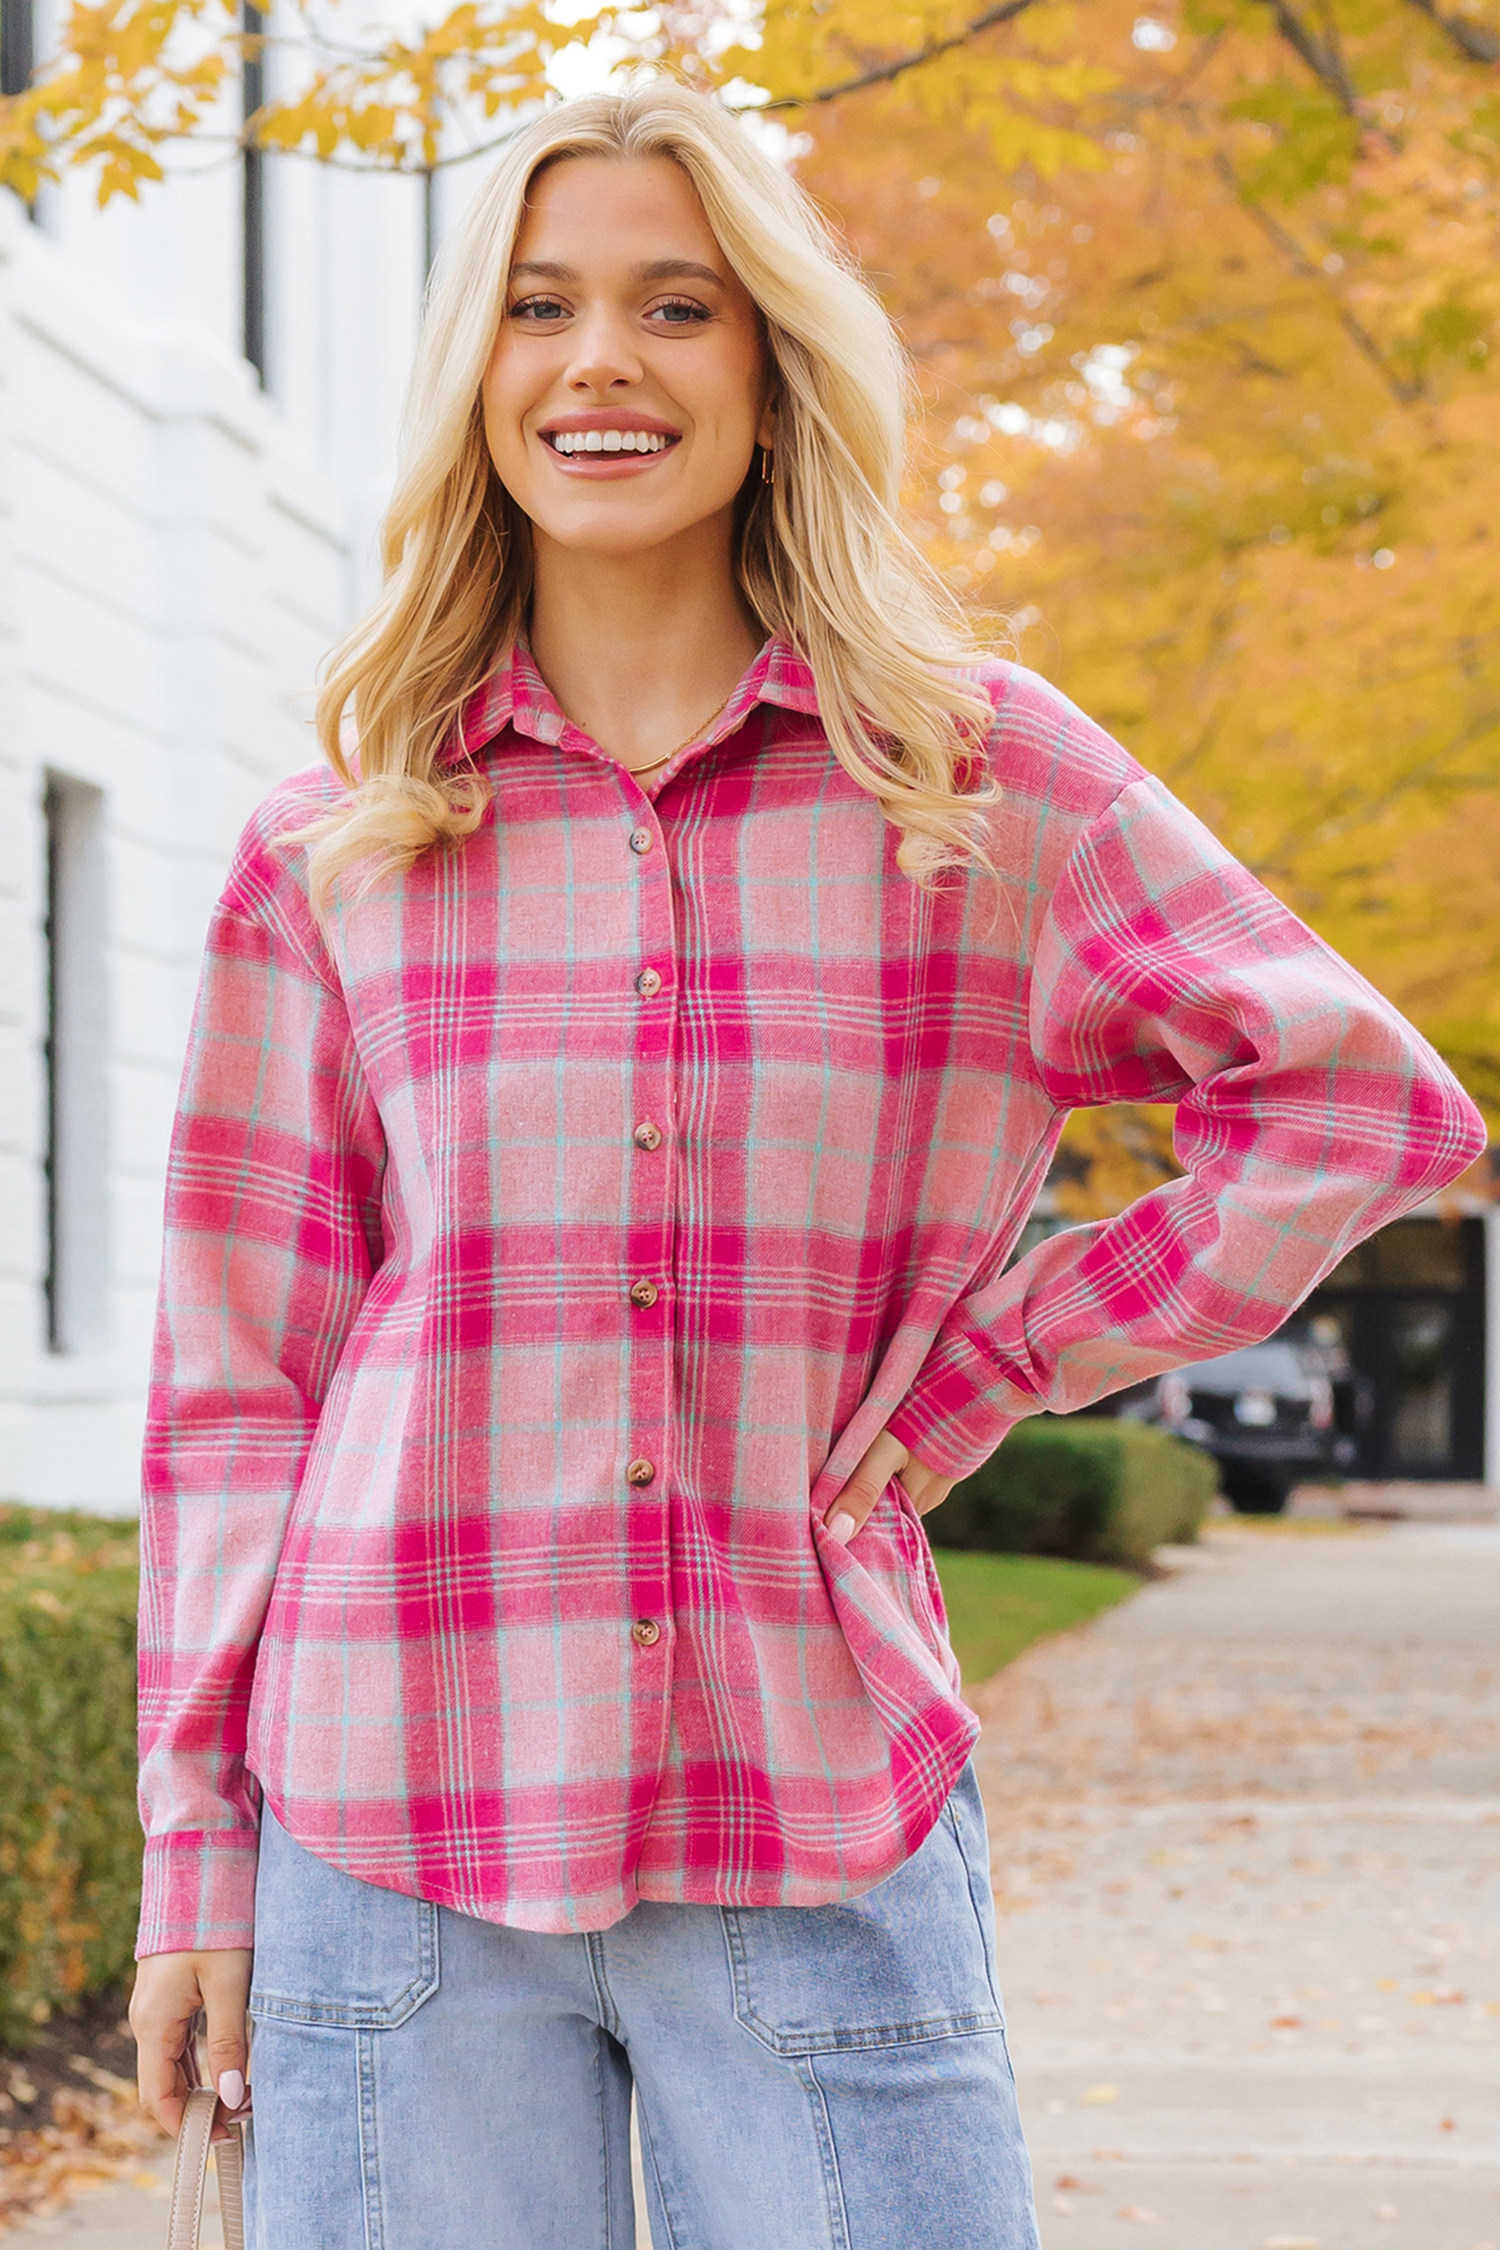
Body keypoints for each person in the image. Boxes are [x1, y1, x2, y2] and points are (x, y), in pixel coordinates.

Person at [127, 73, 1488, 2250]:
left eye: (679, 306)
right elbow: (234, 1395)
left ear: (772, 367)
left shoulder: (980, 783)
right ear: (474, 372)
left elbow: (1355, 1100)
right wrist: (196, 1853)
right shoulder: (337, 848)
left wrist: (985, 1368)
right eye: (540, 307)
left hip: (809, 1809)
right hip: (388, 1830)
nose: (600, 363)